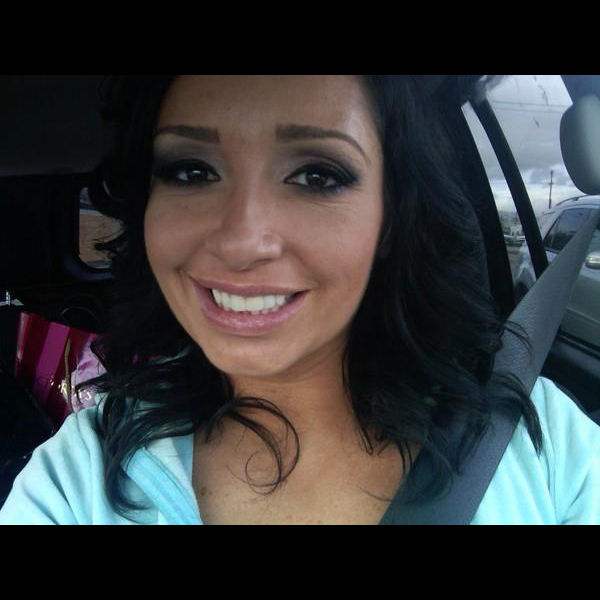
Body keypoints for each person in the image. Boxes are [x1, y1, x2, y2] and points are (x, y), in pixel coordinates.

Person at [1, 75, 598, 525]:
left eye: (317, 175)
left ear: (391, 220)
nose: (241, 242)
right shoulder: (80, 476)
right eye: (190, 171)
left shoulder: (540, 443)